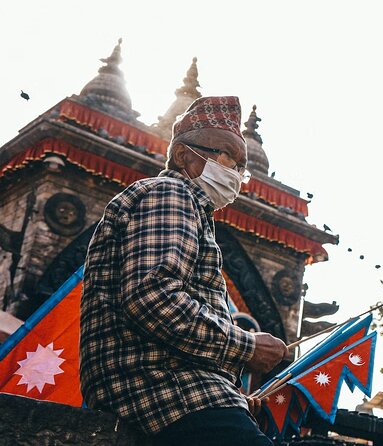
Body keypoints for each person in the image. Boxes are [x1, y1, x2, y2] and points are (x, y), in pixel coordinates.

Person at [80, 96, 288, 445]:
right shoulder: (170, 193)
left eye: (241, 167)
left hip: (178, 390)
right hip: (162, 388)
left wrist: (231, 391)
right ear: (183, 156)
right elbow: (152, 297)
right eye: (226, 157)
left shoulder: (192, 211)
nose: (234, 173)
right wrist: (246, 346)